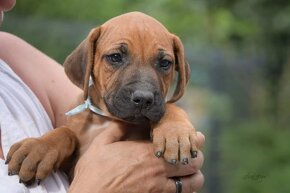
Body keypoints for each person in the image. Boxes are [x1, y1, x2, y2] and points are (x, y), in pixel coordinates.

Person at [0, 1, 205, 193]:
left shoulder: (13, 58)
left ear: (180, 73)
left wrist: (174, 117)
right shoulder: (78, 120)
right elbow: (79, 141)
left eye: (163, 64)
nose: (143, 93)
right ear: (88, 65)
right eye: (116, 58)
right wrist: (58, 141)